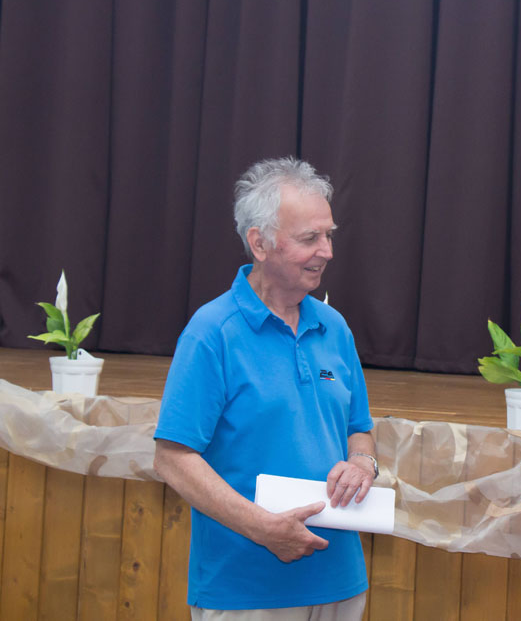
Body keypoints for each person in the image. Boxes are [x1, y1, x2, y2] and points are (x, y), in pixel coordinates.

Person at [154, 157, 377, 620]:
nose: (327, 251)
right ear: (259, 243)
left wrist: (362, 462)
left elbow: (359, 428)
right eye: (309, 238)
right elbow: (172, 459)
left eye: (329, 235)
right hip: (247, 590)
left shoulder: (334, 327)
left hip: (340, 583)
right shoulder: (212, 332)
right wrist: (264, 529)